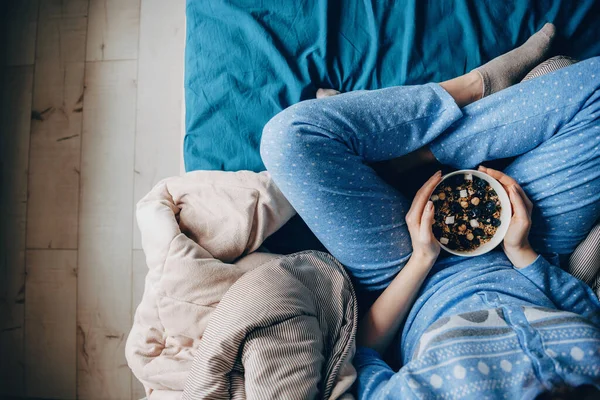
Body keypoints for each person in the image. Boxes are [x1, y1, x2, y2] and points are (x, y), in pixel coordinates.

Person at [260, 23, 600, 398]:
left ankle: (454, 113)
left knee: (289, 140)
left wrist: (421, 259)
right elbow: (586, 312)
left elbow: (364, 354)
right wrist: (523, 253)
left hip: (408, 274)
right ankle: (461, 106)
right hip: (528, 245)